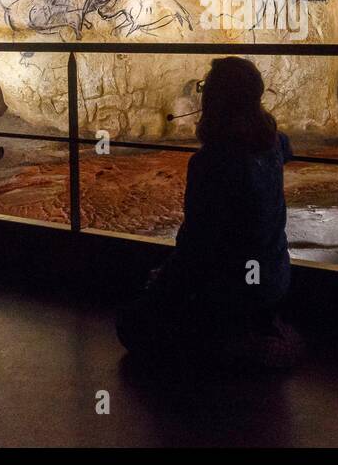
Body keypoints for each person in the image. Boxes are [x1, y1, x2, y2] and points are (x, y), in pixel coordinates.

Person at [116, 57, 302, 370]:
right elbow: (284, 147)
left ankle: (228, 342)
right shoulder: (274, 144)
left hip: (232, 288)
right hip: (275, 277)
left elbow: (197, 248)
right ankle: (255, 330)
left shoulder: (211, 163)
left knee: (131, 327)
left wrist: (164, 283)